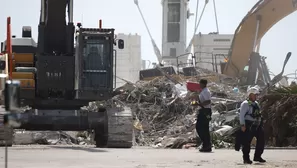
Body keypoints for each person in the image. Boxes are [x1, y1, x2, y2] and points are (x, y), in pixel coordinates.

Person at [239, 87, 266, 164]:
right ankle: (246, 158)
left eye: (257, 95)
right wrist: (242, 125)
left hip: (257, 125)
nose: (256, 96)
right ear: (250, 95)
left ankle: (257, 156)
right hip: (248, 124)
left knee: (261, 140)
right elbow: (241, 115)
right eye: (255, 95)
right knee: (246, 142)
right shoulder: (245, 104)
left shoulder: (256, 104)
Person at [192, 79, 212, 152]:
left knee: (201, 128)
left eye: (200, 83)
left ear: (203, 84)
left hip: (205, 111)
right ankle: (206, 145)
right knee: (203, 128)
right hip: (203, 111)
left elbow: (208, 101)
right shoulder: (203, 91)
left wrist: (199, 104)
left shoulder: (206, 91)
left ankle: (207, 145)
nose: (199, 85)